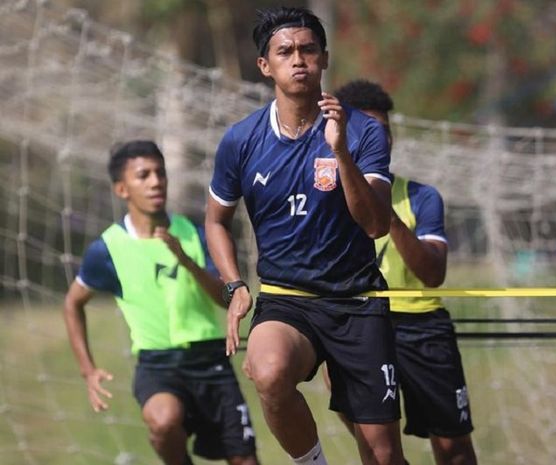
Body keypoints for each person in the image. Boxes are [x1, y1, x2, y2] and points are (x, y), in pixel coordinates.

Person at [205, 7, 404, 465]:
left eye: (308, 50)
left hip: (357, 302)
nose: (298, 60)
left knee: (382, 455)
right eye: (285, 51)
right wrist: (235, 285)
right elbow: (216, 221)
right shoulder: (242, 140)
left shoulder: (363, 130)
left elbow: (374, 225)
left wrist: (340, 153)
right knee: (268, 371)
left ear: (325, 58)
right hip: (286, 298)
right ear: (265, 65)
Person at [63, 140, 259, 465]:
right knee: (164, 420)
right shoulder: (107, 249)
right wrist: (88, 370)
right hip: (157, 366)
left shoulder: (197, 233)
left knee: (245, 460)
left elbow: (227, 299)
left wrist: (185, 259)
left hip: (210, 362)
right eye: (144, 175)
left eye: (160, 172)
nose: (156, 182)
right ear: (122, 189)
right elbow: (73, 304)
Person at [329, 80, 478, 465]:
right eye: (369, 128)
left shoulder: (421, 197)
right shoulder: (326, 195)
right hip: (361, 328)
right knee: (381, 453)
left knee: (455, 451)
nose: (382, 139)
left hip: (422, 329)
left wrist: (384, 212)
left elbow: (433, 274)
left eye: (386, 130)